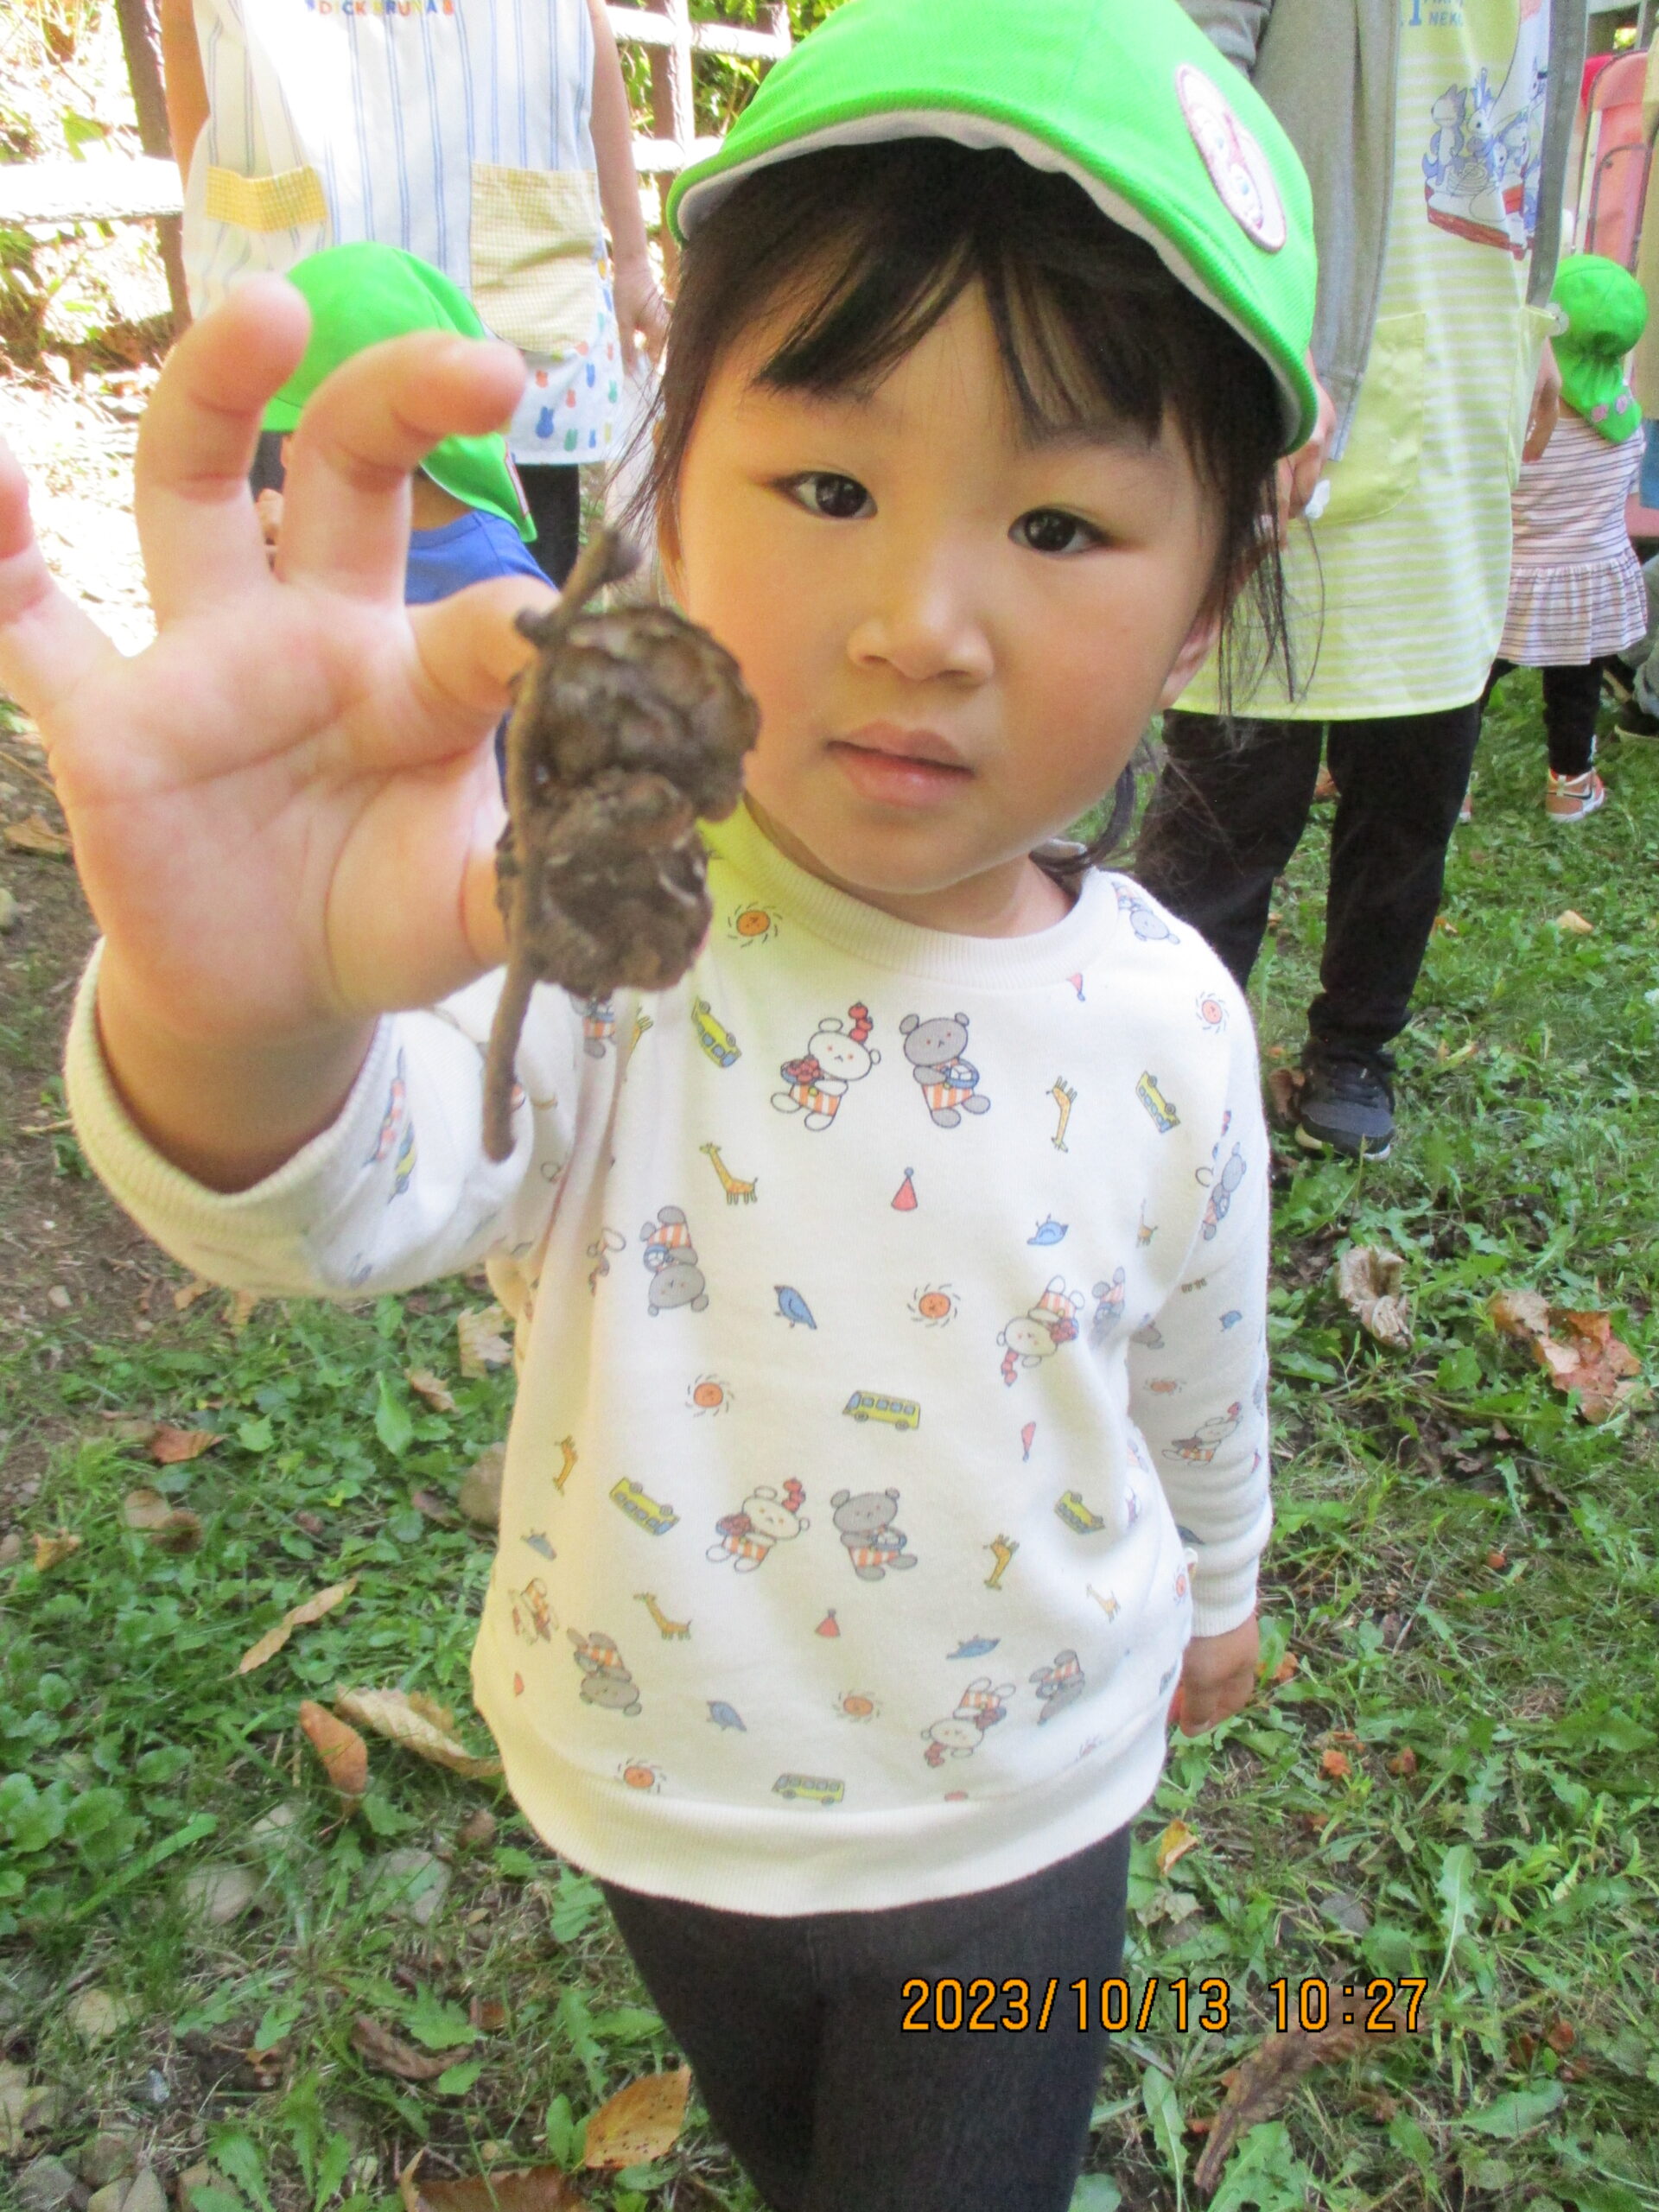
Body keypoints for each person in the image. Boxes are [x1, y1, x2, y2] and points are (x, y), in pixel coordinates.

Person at [0, 0, 1319, 2201]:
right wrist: (238, 1018)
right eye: (824, 483)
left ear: (1207, 600)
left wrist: (1226, 1574)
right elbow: (360, 1185)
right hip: (648, 1788)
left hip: (1021, 1815)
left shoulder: (1169, 1017)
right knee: (792, 2147)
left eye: (1065, 523)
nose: (920, 617)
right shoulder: (610, 924)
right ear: (665, 499)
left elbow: (1198, 1336)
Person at [1137, 0, 1586, 1160]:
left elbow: (1525, 129)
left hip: (1462, 396)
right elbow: (1184, 66)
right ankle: (1183, 1074)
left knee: (1416, 782)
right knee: (1229, 795)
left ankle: (1354, 1050)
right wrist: (1239, 331)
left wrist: (1536, 315)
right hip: (1290, 379)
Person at [156, 0, 666, 585]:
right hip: (303, 306)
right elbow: (186, 22)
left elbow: (583, 20)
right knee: (299, 615)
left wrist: (631, 263)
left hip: (504, 309)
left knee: (513, 613)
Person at [254, 242, 547, 611]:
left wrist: (318, 561)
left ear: (392, 433)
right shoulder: (351, 532)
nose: (284, 457)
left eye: (295, 434)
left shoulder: (495, 576)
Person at [1482, 254, 1648, 824]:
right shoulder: (1625, 425)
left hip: (1512, 578)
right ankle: (1570, 786)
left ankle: (1445, 788)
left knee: (1470, 682)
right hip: (1589, 581)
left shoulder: (1519, 418)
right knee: (1576, 688)